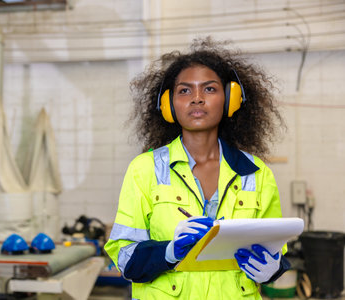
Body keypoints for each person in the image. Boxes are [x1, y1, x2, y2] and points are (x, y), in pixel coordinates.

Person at [104, 38, 289, 299]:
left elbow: (275, 248)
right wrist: (168, 252)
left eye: (210, 89)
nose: (197, 99)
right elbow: (124, 258)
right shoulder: (144, 170)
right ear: (168, 104)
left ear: (230, 99)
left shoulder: (257, 174)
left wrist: (271, 269)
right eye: (184, 91)